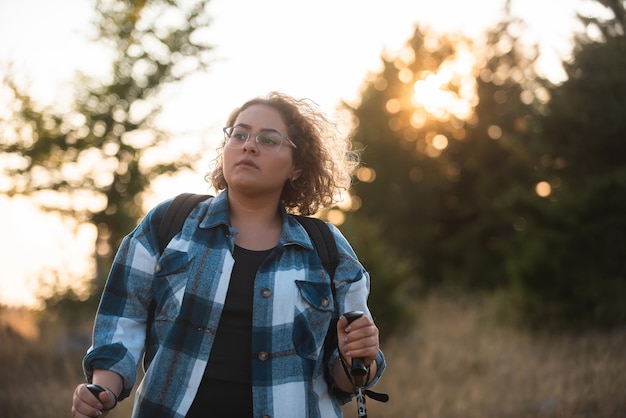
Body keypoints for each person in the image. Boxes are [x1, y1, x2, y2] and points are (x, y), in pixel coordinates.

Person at [71, 92, 386, 418]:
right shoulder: (170, 224)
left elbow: (348, 376)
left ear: (297, 167)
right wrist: (103, 389)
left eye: (268, 139)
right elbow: (124, 316)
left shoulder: (326, 248)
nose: (249, 145)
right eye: (239, 134)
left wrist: (358, 356)